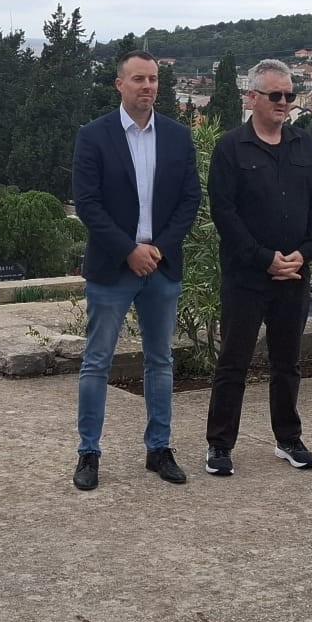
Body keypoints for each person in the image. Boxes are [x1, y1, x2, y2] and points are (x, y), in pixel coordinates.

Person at [70, 50, 202, 491]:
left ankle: (159, 448)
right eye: (139, 79)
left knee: (160, 360)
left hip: (162, 266)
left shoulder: (178, 137)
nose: (148, 86)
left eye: (153, 79)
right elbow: (88, 203)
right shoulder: (94, 136)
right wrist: (129, 250)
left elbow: (190, 200)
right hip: (113, 266)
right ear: (120, 84)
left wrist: (158, 249)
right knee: (97, 362)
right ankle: (89, 453)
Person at [204, 58, 312, 476]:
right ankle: (219, 445)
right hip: (246, 277)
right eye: (275, 94)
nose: (284, 102)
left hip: (294, 273)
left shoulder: (304, 144)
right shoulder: (230, 148)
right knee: (233, 363)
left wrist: (305, 252)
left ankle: (289, 439)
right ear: (252, 97)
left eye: (289, 95)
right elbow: (224, 213)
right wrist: (264, 259)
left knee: (287, 363)